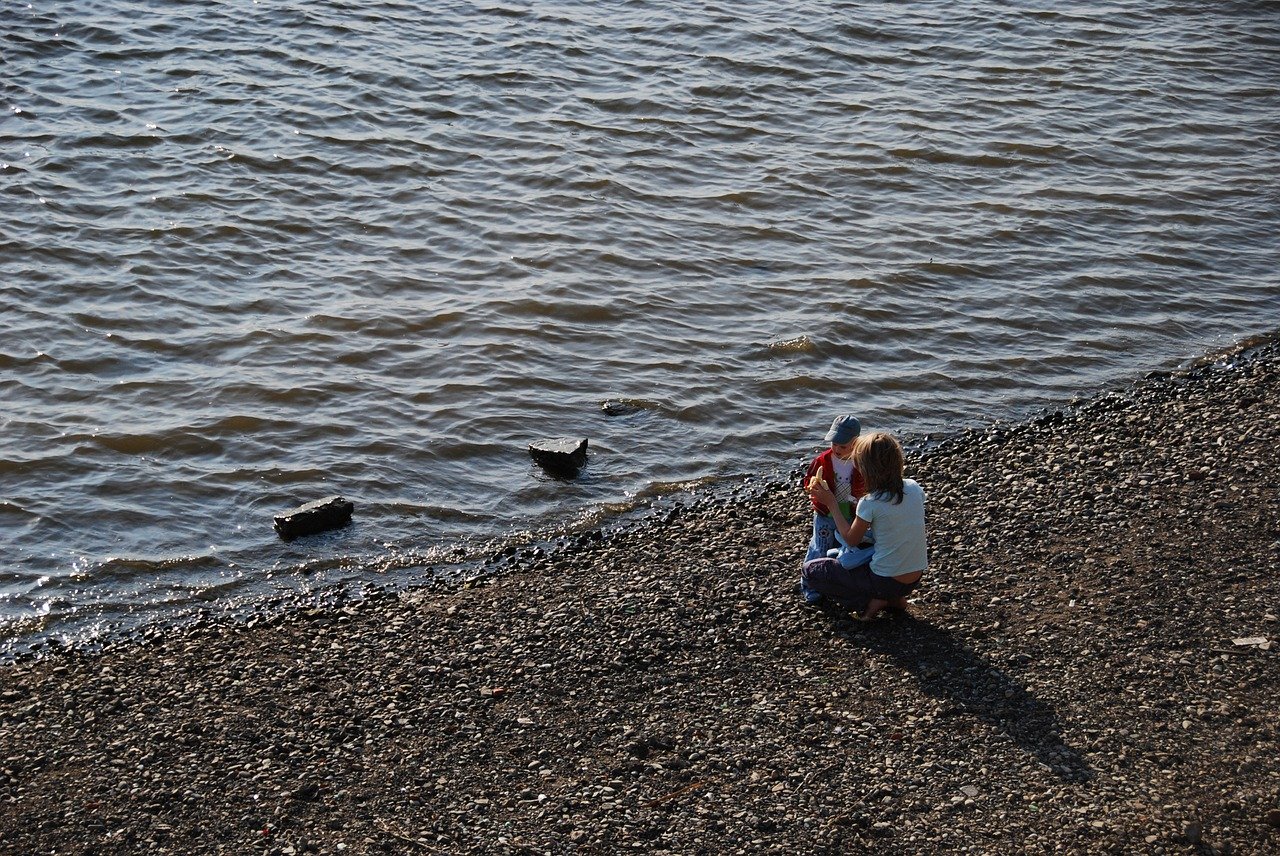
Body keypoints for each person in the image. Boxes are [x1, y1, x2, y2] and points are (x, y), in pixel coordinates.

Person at [802, 431, 927, 621]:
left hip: (885, 581)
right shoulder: (913, 487)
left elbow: (851, 539)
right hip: (914, 577)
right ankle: (894, 598)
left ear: (865, 469)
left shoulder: (871, 502)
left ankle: (871, 601)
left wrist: (832, 503)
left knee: (811, 571)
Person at [799, 415, 867, 603]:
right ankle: (809, 582)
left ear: (855, 444)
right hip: (825, 512)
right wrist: (811, 487)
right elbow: (808, 480)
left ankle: (831, 582)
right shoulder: (822, 461)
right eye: (834, 444)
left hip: (850, 512)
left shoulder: (860, 463)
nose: (836, 449)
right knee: (820, 546)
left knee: (841, 548)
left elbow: (866, 485)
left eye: (842, 446)